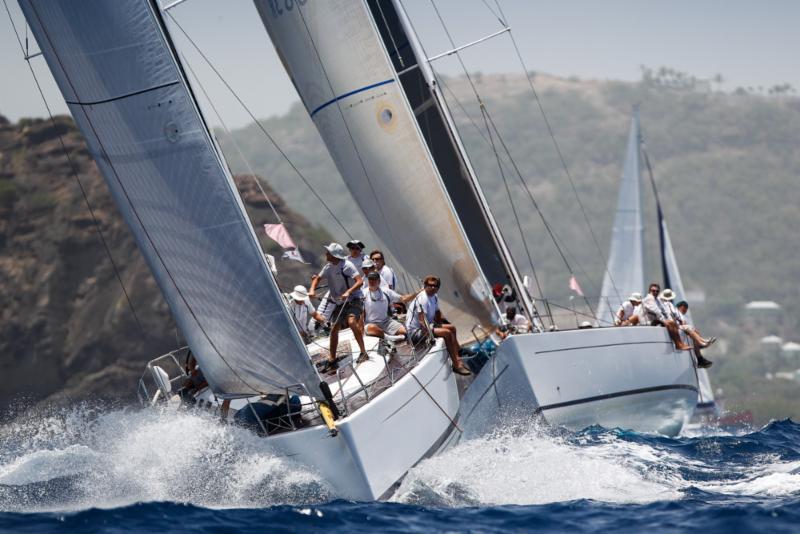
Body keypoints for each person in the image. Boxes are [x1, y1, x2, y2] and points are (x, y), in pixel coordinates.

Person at [308, 243, 367, 370]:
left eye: (328, 252)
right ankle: (332, 358)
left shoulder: (347, 266)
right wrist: (312, 290)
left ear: (334, 255)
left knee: (351, 321)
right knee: (334, 329)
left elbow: (360, 281)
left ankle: (363, 352)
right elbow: (317, 279)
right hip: (340, 303)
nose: (326, 254)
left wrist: (348, 292)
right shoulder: (328, 267)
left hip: (354, 299)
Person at [406, 275, 471, 375]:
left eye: (435, 286)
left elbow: (437, 312)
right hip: (415, 332)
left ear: (438, 288)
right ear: (425, 286)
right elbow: (422, 321)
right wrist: (431, 334)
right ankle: (456, 365)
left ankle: (458, 352)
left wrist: (441, 323)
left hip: (428, 325)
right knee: (447, 333)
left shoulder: (434, 296)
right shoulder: (423, 298)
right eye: (430, 285)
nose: (432, 288)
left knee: (452, 328)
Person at [363, 271, 416, 339]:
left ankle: (389, 336)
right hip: (370, 324)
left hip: (386, 322)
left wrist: (417, 294)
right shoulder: (363, 293)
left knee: (406, 331)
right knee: (372, 328)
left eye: (374, 279)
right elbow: (360, 313)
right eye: (370, 279)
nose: (371, 281)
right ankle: (392, 338)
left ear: (379, 281)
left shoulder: (386, 291)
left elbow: (403, 298)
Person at [641, 282, 690, 351]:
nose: (655, 292)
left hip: (657, 320)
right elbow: (657, 312)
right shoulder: (649, 298)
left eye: (657, 291)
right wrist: (665, 320)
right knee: (669, 323)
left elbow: (664, 311)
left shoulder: (657, 299)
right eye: (653, 291)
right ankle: (678, 344)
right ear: (649, 291)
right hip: (650, 321)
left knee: (672, 322)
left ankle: (680, 344)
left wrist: (668, 319)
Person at [674, 300, 715, 368]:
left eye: (686, 309)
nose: (685, 311)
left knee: (695, 335)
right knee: (693, 333)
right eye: (684, 309)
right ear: (680, 307)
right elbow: (683, 323)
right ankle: (702, 344)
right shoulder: (677, 312)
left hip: (683, 329)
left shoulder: (681, 315)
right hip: (679, 328)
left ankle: (700, 351)